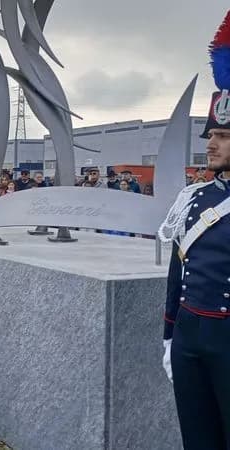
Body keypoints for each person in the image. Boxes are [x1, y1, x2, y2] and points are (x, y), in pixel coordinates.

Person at [158, 14, 230, 448]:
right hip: (188, 337)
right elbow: (177, 273)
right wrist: (170, 334)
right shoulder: (192, 199)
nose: (211, 144)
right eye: (211, 134)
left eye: (223, 135)